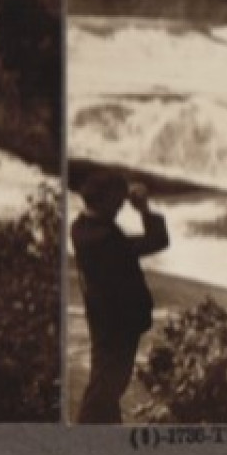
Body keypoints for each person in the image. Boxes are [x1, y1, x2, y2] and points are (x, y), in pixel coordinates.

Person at [71, 172, 169, 424]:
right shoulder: (105, 239)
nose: (121, 204)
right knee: (104, 391)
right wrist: (144, 209)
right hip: (116, 325)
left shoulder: (81, 227)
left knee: (106, 389)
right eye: (118, 200)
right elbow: (158, 240)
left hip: (103, 319)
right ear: (104, 202)